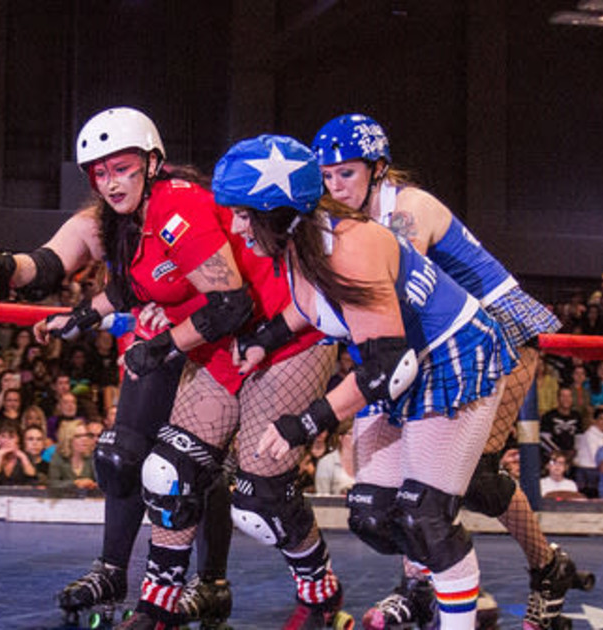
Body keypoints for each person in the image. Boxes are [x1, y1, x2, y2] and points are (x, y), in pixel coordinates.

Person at [222, 134, 510, 630]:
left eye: (245, 214)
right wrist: (265, 338)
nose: (236, 226)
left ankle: (460, 614)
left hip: (451, 359)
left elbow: (386, 369)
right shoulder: (304, 237)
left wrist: (303, 424)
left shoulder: (348, 246)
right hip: (400, 361)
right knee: (373, 514)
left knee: (426, 516)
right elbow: (316, 307)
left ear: (278, 210)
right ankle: (431, 589)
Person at [310, 114, 584, 629]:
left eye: (345, 174)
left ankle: (541, 569)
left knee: (463, 477)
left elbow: (386, 297)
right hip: (436, 348)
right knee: (406, 476)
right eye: (326, 177)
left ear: (377, 169)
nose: (334, 187)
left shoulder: (408, 208)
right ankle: (433, 583)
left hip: (497, 335)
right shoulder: (350, 224)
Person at [0, 108, 238, 625]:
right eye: (100, 173)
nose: (111, 182)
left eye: (121, 168)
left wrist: (164, 341)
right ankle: (112, 570)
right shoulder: (118, 221)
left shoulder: (179, 208)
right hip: (167, 337)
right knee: (122, 455)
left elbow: (230, 302)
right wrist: (70, 315)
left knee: (197, 471)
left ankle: (210, 583)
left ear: (151, 163)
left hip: (219, 339)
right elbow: (116, 283)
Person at [573, 408, 603, 498]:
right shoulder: (589, 435)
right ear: (595, 421)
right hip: (587, 472)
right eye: (601, 419)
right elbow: (595, 457)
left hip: (601, 470)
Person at [48, 419, 99, 491]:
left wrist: (93, 485)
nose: (84, 439)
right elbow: (53, 484)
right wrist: (75, 483)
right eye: (78, 436)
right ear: (68, 439)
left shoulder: (92, 458)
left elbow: (101, 482)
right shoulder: (58, 458)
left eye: (86, 435)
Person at [0, 421, 38, 486]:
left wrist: (23, 458)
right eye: (3, 436)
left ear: (19, 440)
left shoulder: (27, 456)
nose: (6, 441)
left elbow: (33, 483)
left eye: (11, 437)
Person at [540, 387, 581, 463]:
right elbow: (544, 438)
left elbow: (579, 438)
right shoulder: (549, 416)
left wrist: (574, 452)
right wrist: (559, 453)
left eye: (569, 396)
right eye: (563, 396)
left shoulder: (577, 416)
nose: (566, 399)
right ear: (558, 398)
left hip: (572, 457)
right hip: (552, 456)